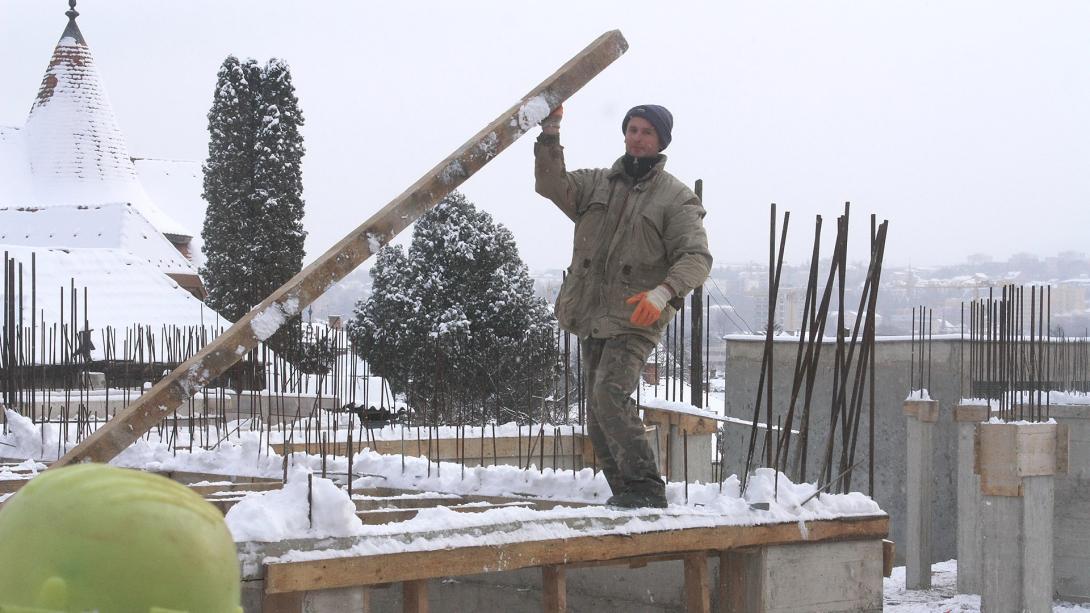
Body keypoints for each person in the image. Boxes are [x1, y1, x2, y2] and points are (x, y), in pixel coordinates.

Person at [534, 104, 712, 508]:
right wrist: (550, 131)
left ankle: (646, 488)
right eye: (632, 129)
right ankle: (627, 494)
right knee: (598, 415)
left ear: (661, 140)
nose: (637, 137)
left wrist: (664, 291)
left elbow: (696, 258)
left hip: (636, 316)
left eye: (647, 131)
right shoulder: (597, 184)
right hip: (592, 312)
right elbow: (550, 183)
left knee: (609, 395)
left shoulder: (675, 198)